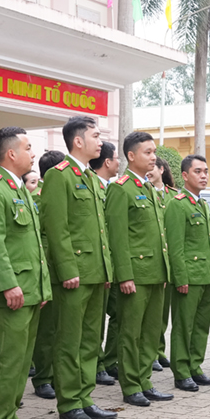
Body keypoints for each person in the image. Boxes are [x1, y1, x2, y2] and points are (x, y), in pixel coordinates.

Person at [0, 127, 52, 419]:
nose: (33, 153)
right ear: (11, 154)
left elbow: (30, 245)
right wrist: (9, 285)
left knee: (22, 360)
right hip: (11, 292)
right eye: (28, 147)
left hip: (29, 289)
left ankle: (9, 418)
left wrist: (42, 288)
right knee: (8, 359)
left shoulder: (18, 189)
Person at [39, 116, 116, 419]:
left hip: (96, 272)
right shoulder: (61, 176)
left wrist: (107, 268)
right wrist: (67, 268)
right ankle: (69, 402)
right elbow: (57, 229)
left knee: (89, 340)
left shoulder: (90, 178)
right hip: (74, 275)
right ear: (78, 141)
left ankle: (85, 397)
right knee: (69, 340)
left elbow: (98, 231)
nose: (101, 141)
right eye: (96, 136)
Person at [106, 131, 172, 407]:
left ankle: (145, 380)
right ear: (131, 156)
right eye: (147, 152)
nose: (153, 156)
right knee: (131, 332)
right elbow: (117, 237)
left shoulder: (148, 188)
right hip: (136, 274)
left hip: (156, 273)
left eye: (154, 151)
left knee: (150, 331)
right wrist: (125, 275)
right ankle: (131, 384)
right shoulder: (121, 188)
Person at [165, 155, 210, 392]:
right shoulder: (177, 204)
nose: (204, 175)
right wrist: (180, 277)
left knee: (201, 326)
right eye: (198, 171)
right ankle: (182, 372)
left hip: (206, 275)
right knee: (184, 326)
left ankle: (195, 366)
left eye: (206, 171)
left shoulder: (200, 203)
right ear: (185, 176)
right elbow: (175, 246)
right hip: (189, 276)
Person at [30, 149, 66, 401]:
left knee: (61, 328)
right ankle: (43, 377)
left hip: (64, 269)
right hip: (48, 271)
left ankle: (55, 374)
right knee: (47, 331)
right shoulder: (39, 197)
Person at [90, 142, 120, 386]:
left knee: (118, 314)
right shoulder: (91, 185)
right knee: (95, 321)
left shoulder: (112, 189)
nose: (119, 163)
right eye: (117, 158)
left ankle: (110, 360)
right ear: (107, 162)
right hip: (96, 264)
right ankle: (98, 364)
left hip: (112, 263)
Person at [149, 157, 179, 372]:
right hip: (152, 258)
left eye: (153, 167)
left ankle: (159, 350)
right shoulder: (142, 191)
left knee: (164, 310)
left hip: (170, 258)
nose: (149, 171)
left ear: (162, 169)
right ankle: (151, 353)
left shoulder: (173, 195)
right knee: (153, 312)